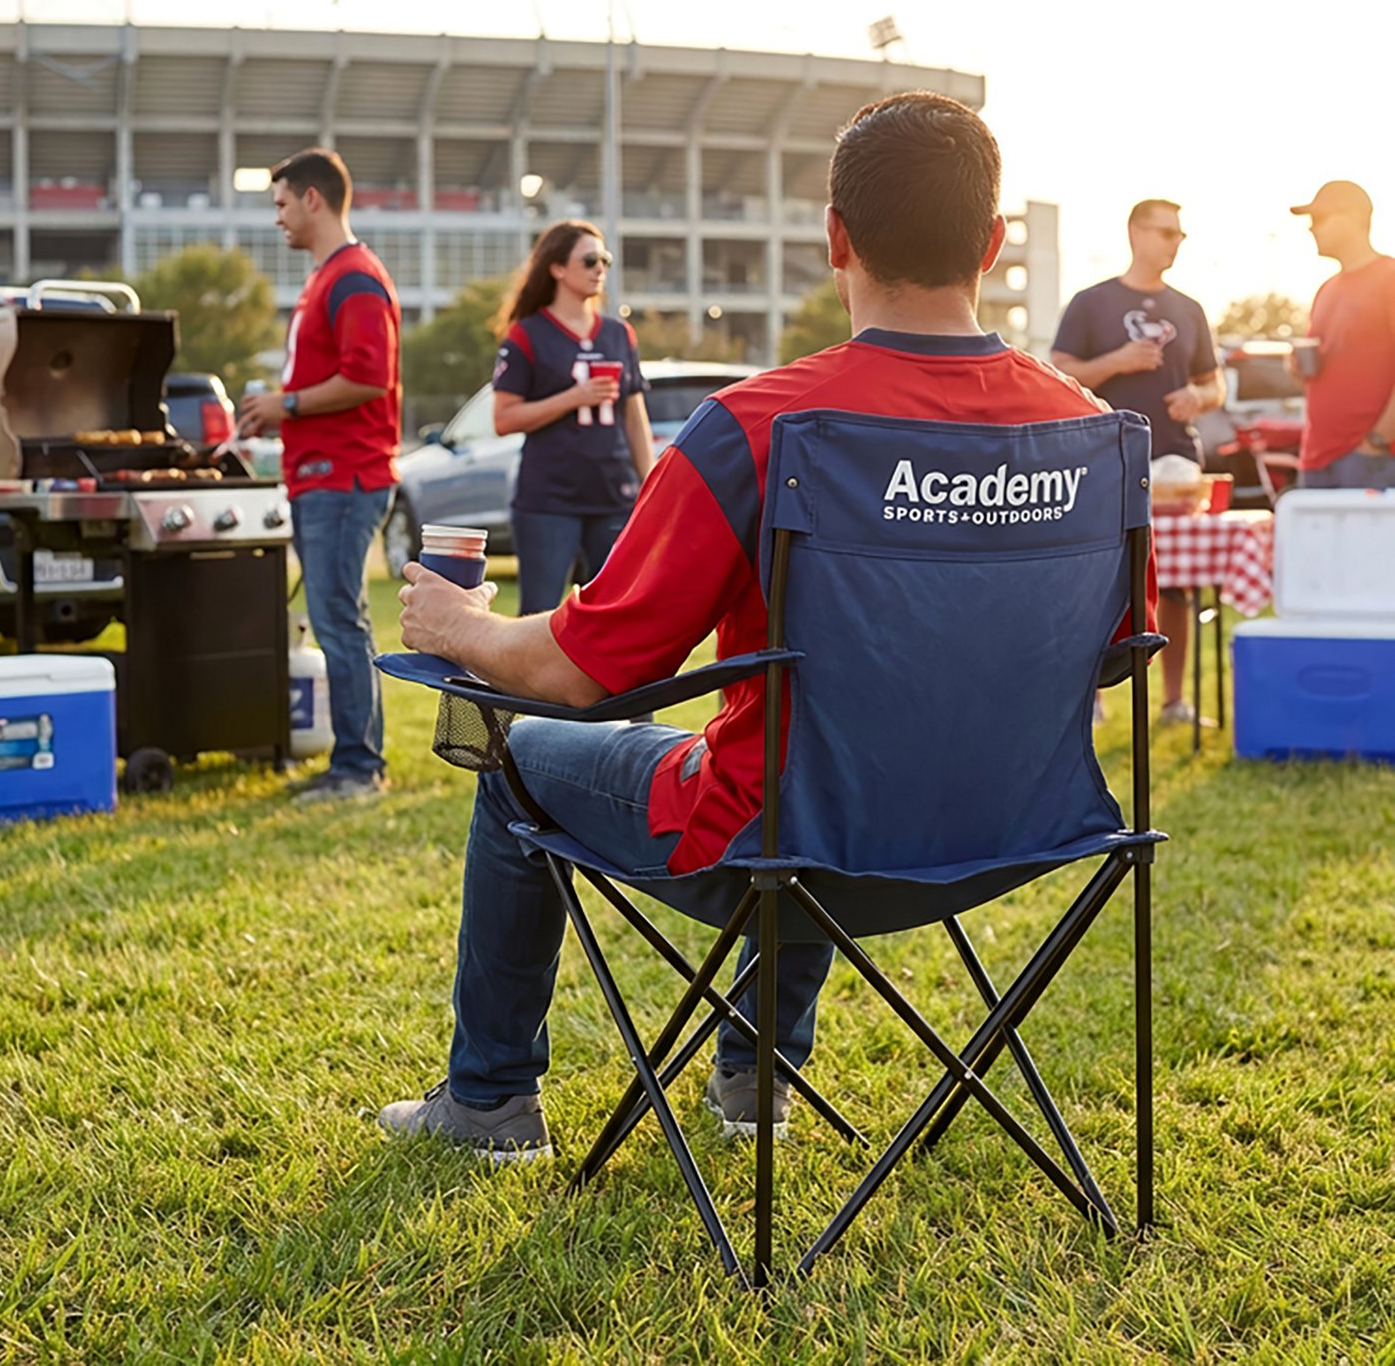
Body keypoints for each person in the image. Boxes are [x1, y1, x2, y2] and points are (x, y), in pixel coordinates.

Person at [376, 92, 1149, 1161]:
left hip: (784, 846)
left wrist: (461, 625)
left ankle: (490, 1100)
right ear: (992, 243)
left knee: (527, 761)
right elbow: (1111, 659)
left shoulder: (756, 424)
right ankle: (756, 1074)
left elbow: (580, 670)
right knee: (825, 739)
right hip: (1014, 831)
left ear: (835, 235)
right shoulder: (1094, 435)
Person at [238, 149, 401, 802]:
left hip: (346, 479)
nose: (276, 217)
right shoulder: (325, 278)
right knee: (339, 618)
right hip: (320, 477)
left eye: (280, 203)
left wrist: (289, 405)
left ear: (313, 199)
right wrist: (277, 414)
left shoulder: (355, 278)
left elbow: (368, 377)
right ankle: (356, 762)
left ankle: (359, 770)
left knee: (339, 622)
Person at [1051, 200, 1225, 727]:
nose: (1175, 242)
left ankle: (1174, 703)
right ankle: (1093, 701)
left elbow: (1214, 383)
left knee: (1176, 582)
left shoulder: (1190, 308)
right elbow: (1059, 373)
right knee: (1096, 578)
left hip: (1176, 462)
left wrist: (1200, 397)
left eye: (1181, 234)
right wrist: (1117, 362)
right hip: (1105, 458)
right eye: (1166, 231)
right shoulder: (1091, 303)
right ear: (1136, 232)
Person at [492, 222, 654, 615]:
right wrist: (572, 398)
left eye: (605, 260)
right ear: (557, 268)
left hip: (613, 495)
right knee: (539, 614)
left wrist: (650, 483)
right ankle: (525, 681)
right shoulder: (527, 334)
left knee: (613, 613)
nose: (600, 268)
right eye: (589, 260)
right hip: (549, 499)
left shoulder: (619, 334)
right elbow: (504, 418)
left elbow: (634, 417)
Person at [1287, 180, 1395, 490]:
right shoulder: (1327, 289)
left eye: (1319, 218)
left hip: (1370, 458)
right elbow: (1319, 373)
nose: (1311, 229)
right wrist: (1297, 369)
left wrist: (1377, 440)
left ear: (1352, 216)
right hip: (1316, 456)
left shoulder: (1389, 277)